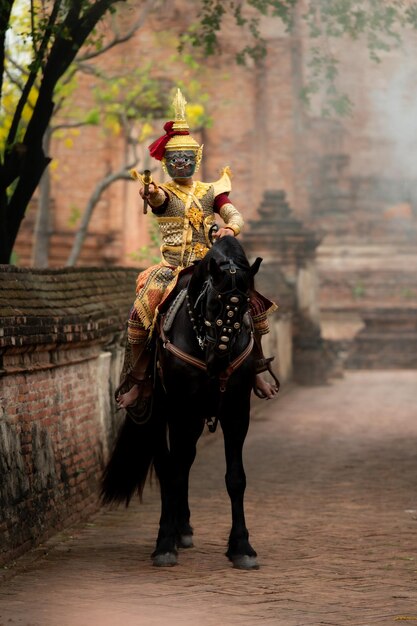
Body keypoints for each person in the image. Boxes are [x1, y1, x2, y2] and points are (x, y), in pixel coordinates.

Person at [116, 89, 279, 415]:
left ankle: (257, 367)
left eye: (187, 159)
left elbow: (232, 213)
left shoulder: (211, 190)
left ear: (196, 159)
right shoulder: (164, 192)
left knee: (252, 303)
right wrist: (148, 192)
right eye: (174, 160)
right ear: (165, 162)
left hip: (211, 265)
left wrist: (230, 228)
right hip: (172, 268)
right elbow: (158, 201)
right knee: (140, 313)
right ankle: (141, 379)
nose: (181, 164)